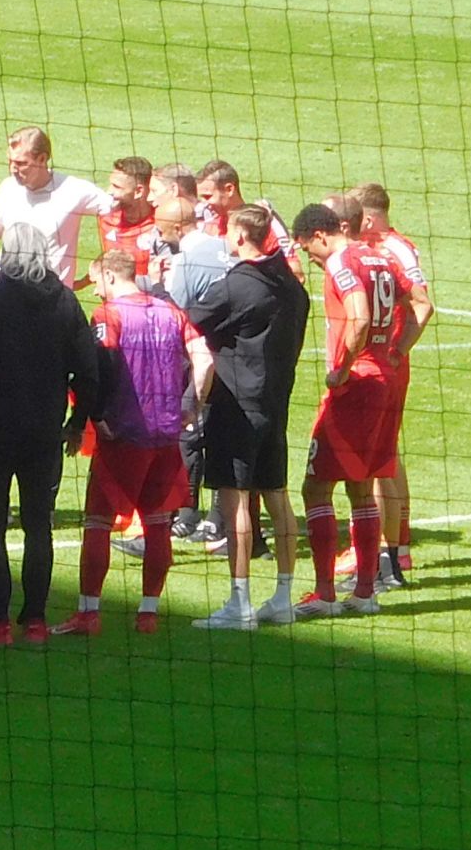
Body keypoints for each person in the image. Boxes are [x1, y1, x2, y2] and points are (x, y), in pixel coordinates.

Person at [0, 224, 99, 645]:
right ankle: (34, 619)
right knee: (39, 525)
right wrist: (77, 422)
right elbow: (88, 370)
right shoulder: (65, 303)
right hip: (44, 432)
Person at [56, 251, 214, 637]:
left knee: (98, 522)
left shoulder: (107, 316)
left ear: (109, 275)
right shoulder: (170, 312)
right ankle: (148, 614)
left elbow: (97, 368)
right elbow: (205, 359)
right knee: (158, 524)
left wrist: (97, 417)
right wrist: (190, 407)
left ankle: (89, 613)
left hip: (123, 434)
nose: (96, 291)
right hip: (165, 435)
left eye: (96, 282)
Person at [290, 205, 430, 620]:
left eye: (307, 250)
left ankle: (325, 594)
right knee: (360, 485)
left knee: (315, 487)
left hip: (357, 386)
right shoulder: (383, 256)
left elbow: (360, 315)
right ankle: (365, 592)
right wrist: (400, 349)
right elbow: (422, 306)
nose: (311, 261)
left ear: (319, 235)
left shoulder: (341, 261)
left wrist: (341, 369)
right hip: (387, 378)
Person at [187, 207, 311, 630]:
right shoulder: (293, 287)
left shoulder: (237, 286)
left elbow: (190, 318)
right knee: (277, 496)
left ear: (240, 236)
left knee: (235, 498)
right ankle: (283, 596)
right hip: (276, 403)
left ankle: (239, 603)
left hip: (236, 405)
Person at [349, 181, 431, 580]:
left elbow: (423, 304)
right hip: (385, 361)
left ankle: (383, 551)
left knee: (377, 457)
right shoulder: (380, 248)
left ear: (368, 217)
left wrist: (398, 350)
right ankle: (397, 549)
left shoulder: (396, 248)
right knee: (387, 455)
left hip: (385, 362)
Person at [0, 126, 114, 285]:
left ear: (42, 159)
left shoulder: (74, 190)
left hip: (51, 300)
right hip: (6, 292)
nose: (12, 169)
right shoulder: (8, 187)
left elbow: (117, 206)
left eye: (20, 163)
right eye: (10, 162)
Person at [196, 160, 300, 278]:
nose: (204, 203)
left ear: (229, 189)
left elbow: (296, 274)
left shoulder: (262, 223)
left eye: (208, 197)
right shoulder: (209, 227)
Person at [91, 156, 157, 284]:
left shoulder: (161, 223)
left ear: (138, 191)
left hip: (151, 300)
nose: (109, 191)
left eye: (117, 187)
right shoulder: (106, 218)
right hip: (114, 302)